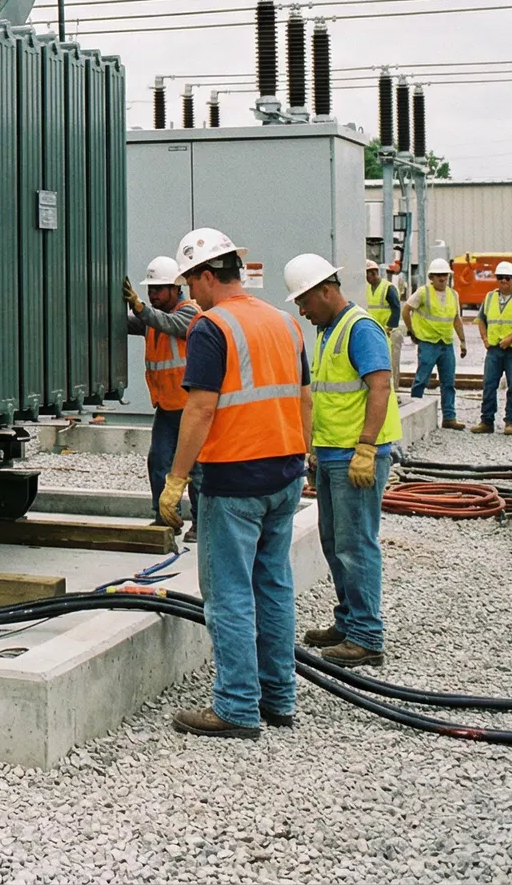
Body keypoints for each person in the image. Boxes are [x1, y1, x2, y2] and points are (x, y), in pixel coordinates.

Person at [157, 227, 311, 739]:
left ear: (206, 275)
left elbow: (199, 409)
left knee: (227, 595)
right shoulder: (285, 323)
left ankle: (237, 707)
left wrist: (176, 479)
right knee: (273, 585)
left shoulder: (211, 326)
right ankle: (278, 697)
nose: (189, 292)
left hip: (234, 479)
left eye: (190, 281)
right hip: (285, 473)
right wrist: (302, 457)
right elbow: (303, 399)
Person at [286, 254, 399, 668]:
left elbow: (380, 387)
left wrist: (367, 448)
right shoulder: (330, 330)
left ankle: (367, 635)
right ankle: (349, 622)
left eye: (304, 300)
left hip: (356, 456)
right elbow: (329, 397)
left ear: (326, 291)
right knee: (335, 543)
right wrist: (315, 448)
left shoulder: (360, 328)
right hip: (334, 454)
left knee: (356, 545)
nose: (301, 309)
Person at [125, 256, 201, 532]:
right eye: (150, 290)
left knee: (196, 469)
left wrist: (141, 308)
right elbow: (127, 322)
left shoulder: (190, 313)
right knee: (158, 461)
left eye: (159, 289)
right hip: (167, 408)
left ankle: (200, 524)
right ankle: (165, 517)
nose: (153, 294)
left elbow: (170, 324)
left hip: (191, 407)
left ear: (175, 288)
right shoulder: (151, 318)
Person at [403, 258, 466, 426]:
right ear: (431, 277)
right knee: (421, 379)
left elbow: (456, 319)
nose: (442, 278)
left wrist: (463, 341)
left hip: (445, 343)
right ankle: (414, 413)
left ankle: (449, 417)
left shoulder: (453, 295)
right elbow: (406, 309)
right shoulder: (423, 292)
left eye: (444, 275)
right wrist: (412, 331)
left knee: (448, 382)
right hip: (428, 343)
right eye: (438, 275)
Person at [474, 262, 512, 435]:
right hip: (494, 350)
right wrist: (484, 338)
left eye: (508, 278)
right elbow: (481, 319)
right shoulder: (489, 297)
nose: (504, 281)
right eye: (500, 278)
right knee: (489, 385)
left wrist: (510, 339)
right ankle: (486, 421)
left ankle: (510, 422)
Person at [364, 259, 407, 399]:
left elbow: (396, 308)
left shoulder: (388, 288)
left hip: (390, 332)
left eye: (368, 274)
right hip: (376, 332)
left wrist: (389, 327)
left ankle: (394, 393)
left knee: (392, 364)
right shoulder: (368, 289)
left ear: (373, 273)